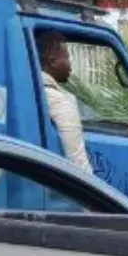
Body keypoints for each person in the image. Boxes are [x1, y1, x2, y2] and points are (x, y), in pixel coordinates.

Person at [36, 30, 92, 174]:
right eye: (67, 57)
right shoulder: (57, 100)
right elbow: (77, 160)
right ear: (53, 61)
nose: (70, 63)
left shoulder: (35, 89)